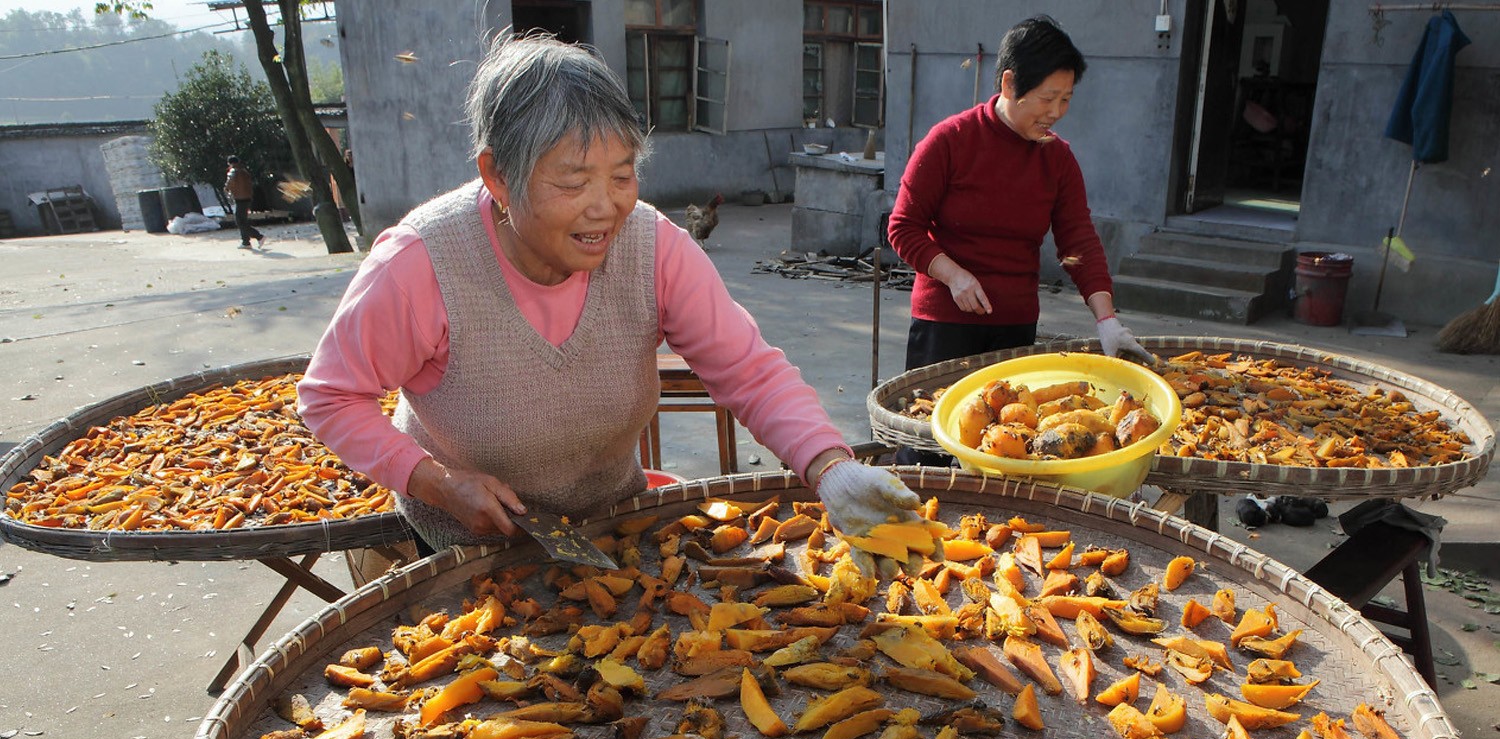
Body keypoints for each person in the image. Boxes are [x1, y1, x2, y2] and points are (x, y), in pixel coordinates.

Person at [298, 32, 918, 553]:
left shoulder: (652, 245)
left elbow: (748, 370)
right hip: (469, 537)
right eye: (573, 182)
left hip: (611, 518)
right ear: (497, 176)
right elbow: (330, 398)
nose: (606, 207)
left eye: (622, 175)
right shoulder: (420, 266)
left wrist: (829, 467)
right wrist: (434, 482)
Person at [887, 16, 1152, 463]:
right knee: (930, 451)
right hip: (944, 328)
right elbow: (903, 227)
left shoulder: (1058, 160)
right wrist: (953, 275)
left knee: (1008, 451)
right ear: (1010, 83)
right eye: (1048, 98)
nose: (1056, 112)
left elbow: (1079, 243)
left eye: (1066, 100)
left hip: (1014, 329)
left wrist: (1107, 322)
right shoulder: (950, 141)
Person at [223, 155, 264, 249]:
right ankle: (246, 242)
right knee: (243, 221)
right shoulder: (245, 171)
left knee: (239, 221)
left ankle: (259, 237)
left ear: (230, 163)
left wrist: (226, 188)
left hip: (239, 198)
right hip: (247, 198)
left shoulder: (233, 171)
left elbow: (230, 181)